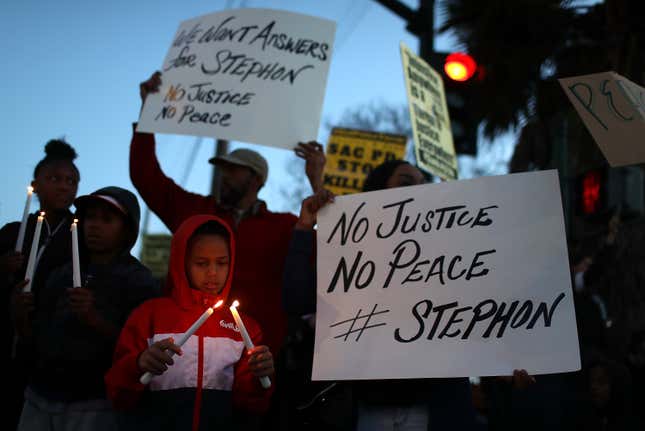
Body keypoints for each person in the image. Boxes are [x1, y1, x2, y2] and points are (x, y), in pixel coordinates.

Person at [130, 71, 325, 359]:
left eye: (234, 170)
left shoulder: (283, 226)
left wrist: (316, 179)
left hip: (257, 356)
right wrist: (147, 116)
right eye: (223, 170)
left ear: (257, 179)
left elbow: (330, 248)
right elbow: (146, 177)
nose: (224, 176)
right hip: (187, 351)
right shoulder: (195, 212)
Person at [105, 215, 275, 430]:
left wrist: (261, 377)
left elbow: (250, 405)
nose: (212, 272)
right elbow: (117, 394)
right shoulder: (150, 316)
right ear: (181, 261)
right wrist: (138, 364)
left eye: (222, 263)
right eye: (201, 263)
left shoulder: (245, 328)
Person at [14, 186, 159, 430]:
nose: (94, 225)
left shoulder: (138, 281)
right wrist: (19, 317)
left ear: (127, 229)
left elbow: (142, 351)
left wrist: (94, 319)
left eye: (107, 219)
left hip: (96, 404)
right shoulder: (61, 274)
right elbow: (35, 340)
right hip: (39, 397)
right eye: (90, 217)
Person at [0, 139, 80, 430]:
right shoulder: (13, 233)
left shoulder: (80, 236)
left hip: (47, 354)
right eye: (55, 179)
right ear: (36, 183)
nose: (64, 187)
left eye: (71, 181)